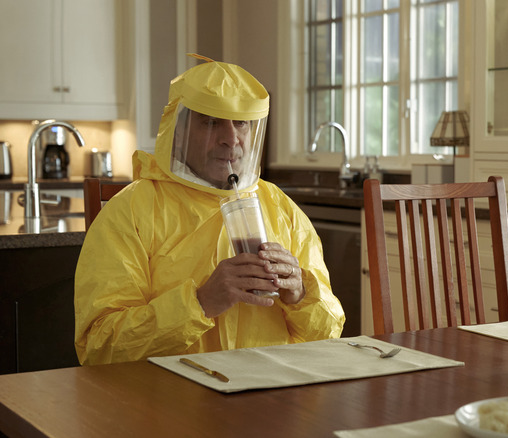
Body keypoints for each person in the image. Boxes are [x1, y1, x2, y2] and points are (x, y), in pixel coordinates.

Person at [74, 55, 345, 365]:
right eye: (211, 121)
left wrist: (300, 295)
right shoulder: (131, 211)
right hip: (171, 400)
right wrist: (199, 304)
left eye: (241, 123)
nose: (231, 139)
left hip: (271, 394)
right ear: (178, 130)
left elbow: (328, 336)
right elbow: (99, 347)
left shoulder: (282, 209)